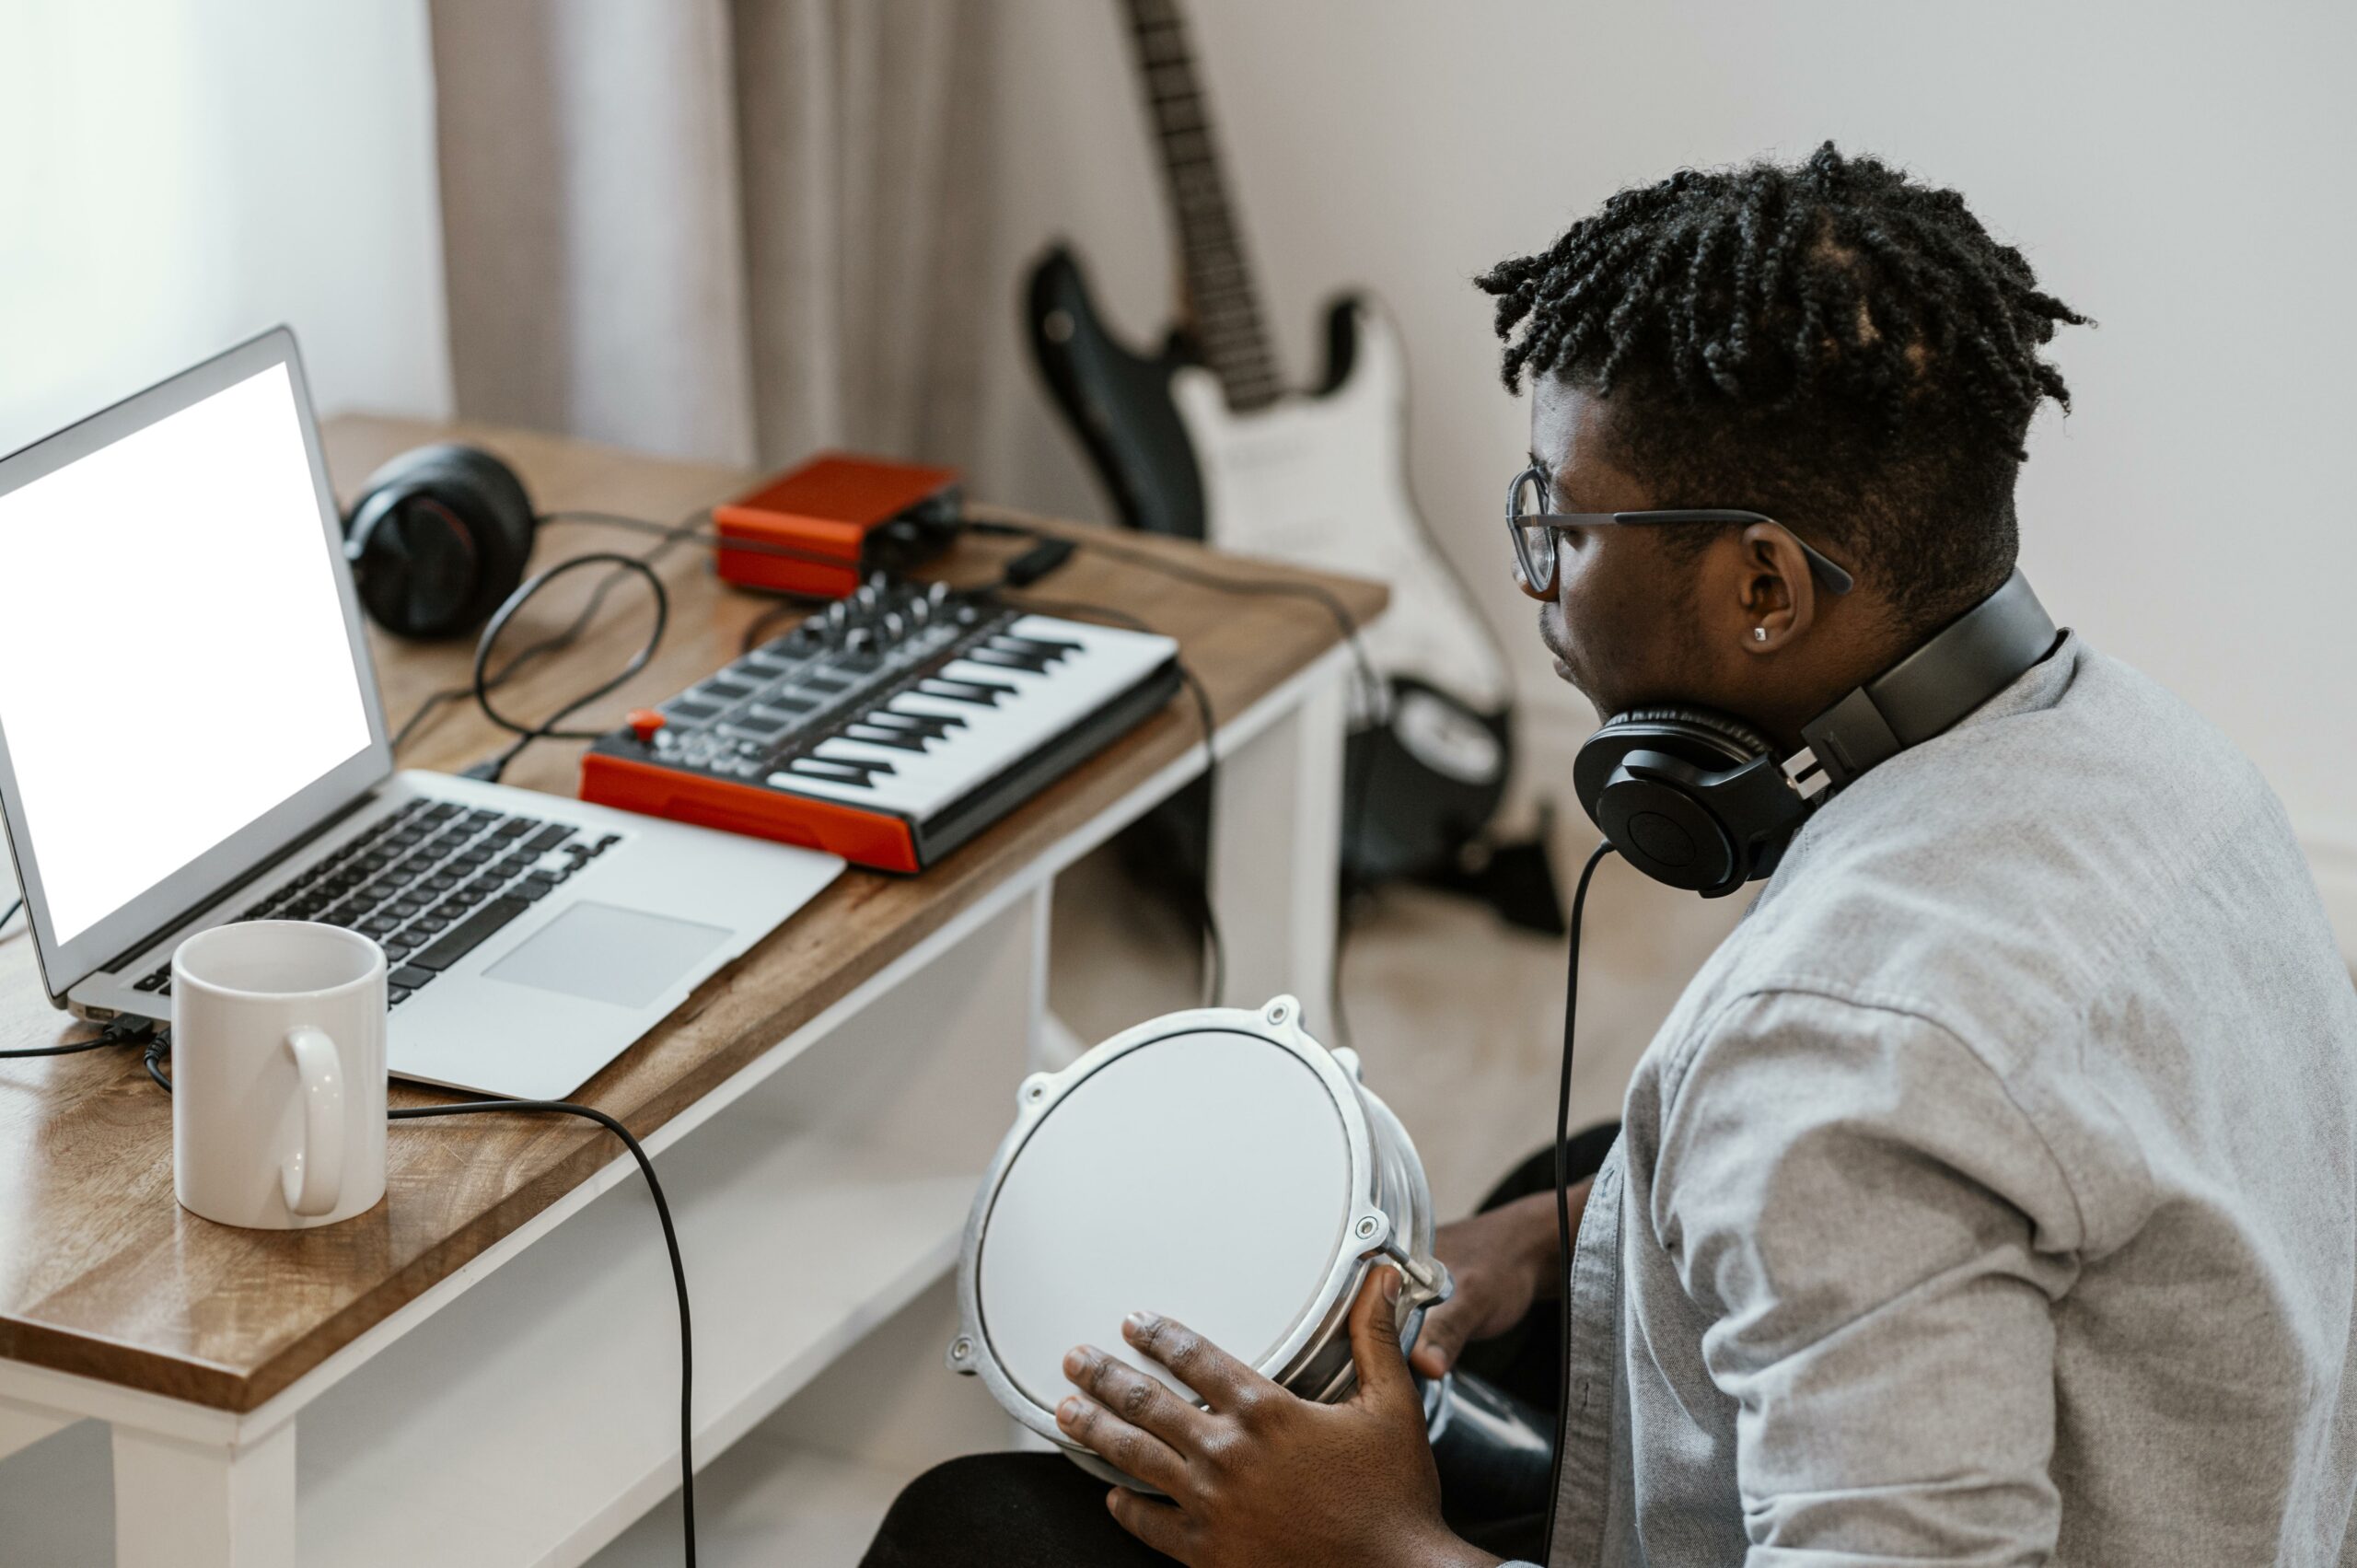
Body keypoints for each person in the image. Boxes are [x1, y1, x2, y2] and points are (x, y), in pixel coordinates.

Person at [861, 144, 2357, 1566]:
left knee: (977, 1535)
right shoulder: (2160, 754)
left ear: (1763, 585)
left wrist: (1371, 1549)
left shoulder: (1839, 1061)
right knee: (1568, 1176)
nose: (1537, 580)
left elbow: (1874, 1122)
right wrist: (1553, 1229)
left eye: (1560, 527)